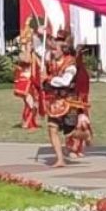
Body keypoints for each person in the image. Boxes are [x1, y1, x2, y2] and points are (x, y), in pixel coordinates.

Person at [42, 29, 87, 167]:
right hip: (55, 101)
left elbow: (65, 81)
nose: (53, 51)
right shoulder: (50, 61)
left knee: (70, 132)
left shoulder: (70, 64)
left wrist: (49, 79)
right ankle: (60, 159)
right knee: (52, 128)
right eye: (52, 48)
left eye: (55, 49)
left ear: (63, 50)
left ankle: (85, 136)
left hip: (69, 101)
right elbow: (39, 50)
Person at [12, 22, 42, 129]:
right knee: (30, 102)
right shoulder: (22, 54)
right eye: (29, 44)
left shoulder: (33, 54)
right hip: (24, 82)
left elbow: (39, 65)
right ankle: (26, 123)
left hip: (32, 81)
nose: (31, 45)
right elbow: (26, 61)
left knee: (34, 102)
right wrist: (29, 51)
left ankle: (30, 122)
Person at [65, 48, 93, 158]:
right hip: (72, 102)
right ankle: (72, 148)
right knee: (73, 125)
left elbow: (84, 89)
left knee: (81, 125)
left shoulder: (81, 72)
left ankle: (78, 148)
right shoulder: (70, 70)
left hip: (79, 103)